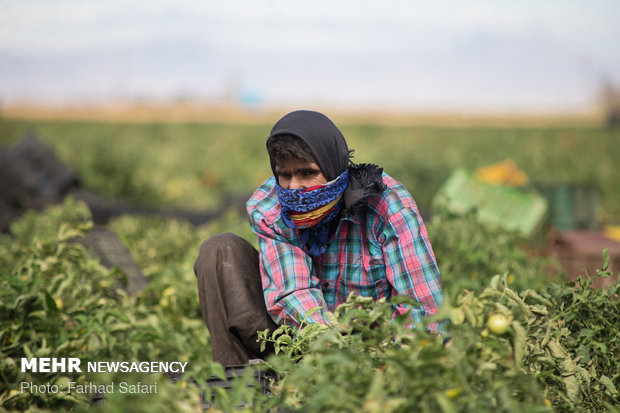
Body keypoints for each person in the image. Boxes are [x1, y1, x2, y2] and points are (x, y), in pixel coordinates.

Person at [194, 110, 444, 366]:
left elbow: (422, 307)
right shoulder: (270, 206)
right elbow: (293, 291)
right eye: (285, 175)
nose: (294, 187)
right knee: (220, 250)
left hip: (376, 351)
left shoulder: (387, 206)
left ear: (333, 167)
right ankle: (238, 390)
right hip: (298, 340)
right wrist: (330, 351)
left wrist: (390, 366)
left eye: (307, 173)